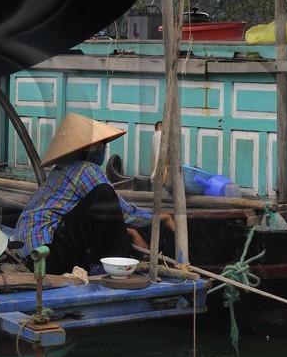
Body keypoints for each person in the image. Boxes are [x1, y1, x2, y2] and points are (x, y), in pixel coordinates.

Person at [14, 113, 170, 275]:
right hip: (46, 255)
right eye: (98, 146)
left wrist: (130, 232)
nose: (102, 150)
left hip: (31, 255)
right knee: (104, 194)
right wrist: (162, 216)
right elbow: (127, 213)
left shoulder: (61, 169)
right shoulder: (84, 169)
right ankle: (109, 268)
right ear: (85, 150)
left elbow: (94, 219)